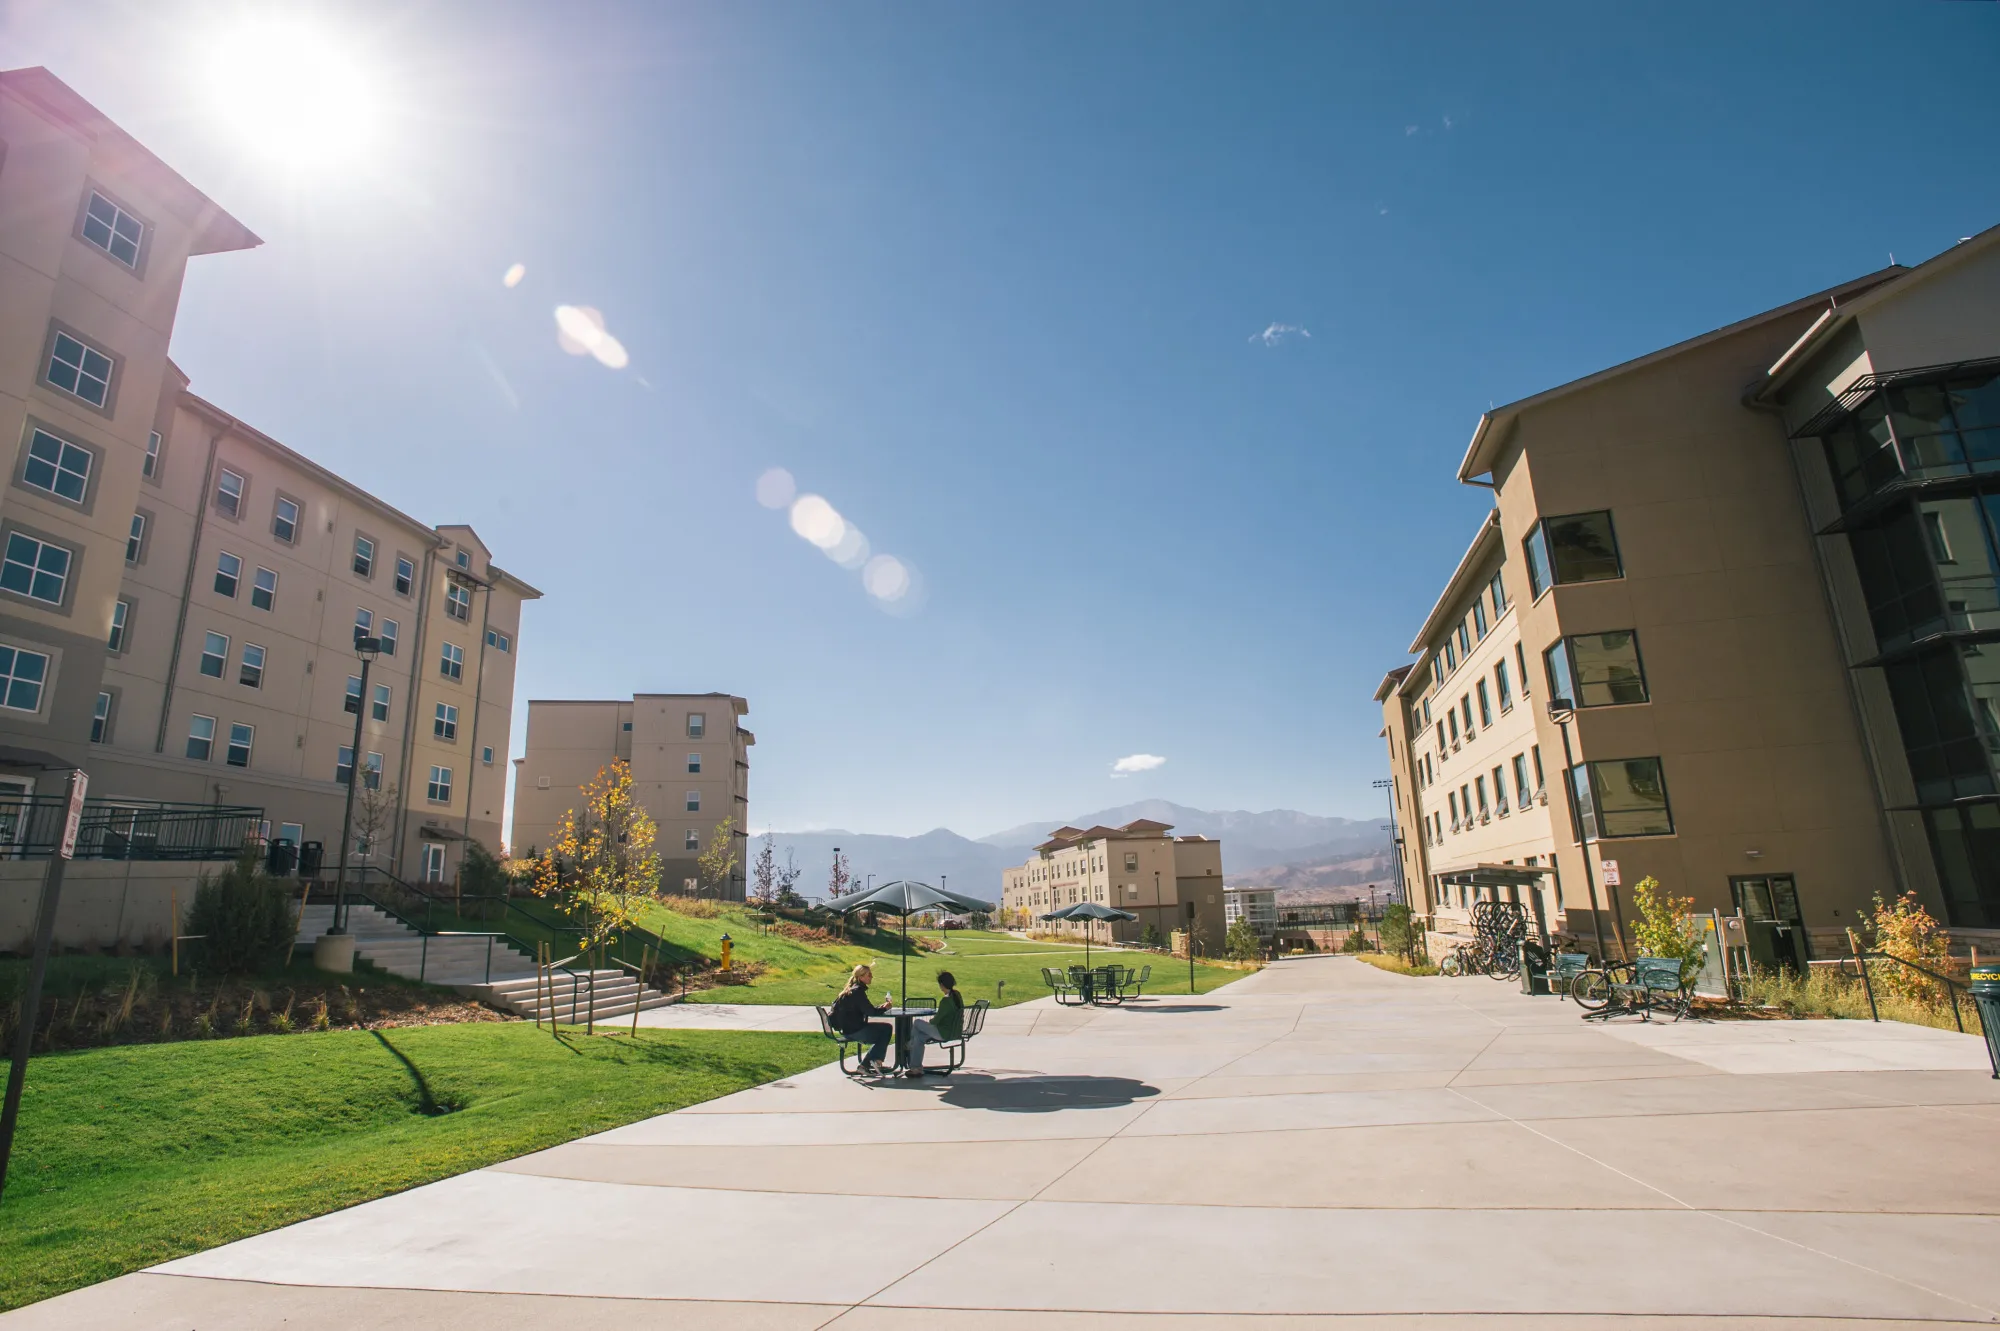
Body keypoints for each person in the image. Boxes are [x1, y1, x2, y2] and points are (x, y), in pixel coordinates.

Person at [828, 964, 892, 1073]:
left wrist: (880, 1008)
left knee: (884, 1030)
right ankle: (868, 1064)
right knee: (886, 1029)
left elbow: (865, 1009)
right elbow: (870, 1012)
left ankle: (874, 1062)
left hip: (848, 1029)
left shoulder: (850, 990)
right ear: (861, 977)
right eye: (869, 975)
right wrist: (884, 1008)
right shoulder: (857, 992)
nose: (871, 977)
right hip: (855, 1031)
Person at [904, 970, 965, 1078]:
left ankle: (910, 1044)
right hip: (955, 1030)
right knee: (919, 1037)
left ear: (941, 985)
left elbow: (936, 1020)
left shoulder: (946, 1001)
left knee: (917, 1022)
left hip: (944, 1032)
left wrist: (930, 1023)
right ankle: (915, 1068)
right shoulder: (957, 995)